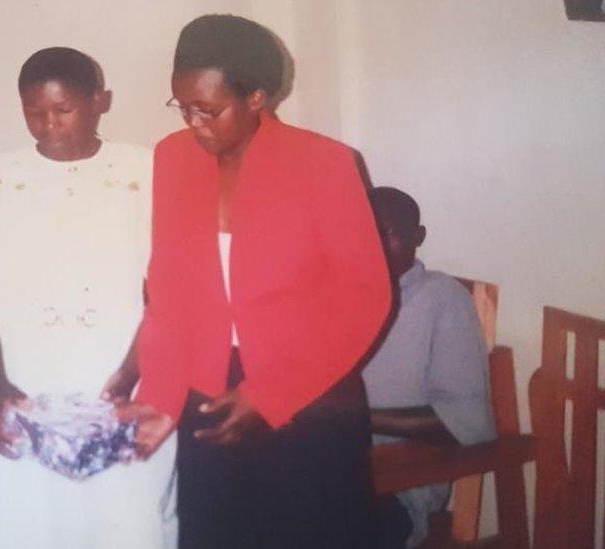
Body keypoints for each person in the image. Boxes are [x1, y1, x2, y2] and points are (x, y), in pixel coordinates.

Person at [121, 14, 392, 548]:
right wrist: (159, 397)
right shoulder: (172, 159)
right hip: (209, 392)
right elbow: (170, 296)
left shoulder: (325, 163)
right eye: (183, 107)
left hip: (311, 394)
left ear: (257, 98)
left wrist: (270, 394)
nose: (194, 124)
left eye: (210, 110)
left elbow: (366, 296)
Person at [0, 47, 176, 549]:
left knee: (123, 524)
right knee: (23, 525)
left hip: (121, 385)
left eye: (63, 110)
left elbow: (170, 293)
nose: (49, 125)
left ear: (100, 101)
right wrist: (3, 389)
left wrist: (130, 377)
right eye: (34, 113)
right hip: (22, 388)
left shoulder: (149, 174)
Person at [364, 186, 496, 548]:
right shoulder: (346, 295)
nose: (372, 245)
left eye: (386, 232)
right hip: (331, 469)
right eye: (364, 231)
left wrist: (360, 418)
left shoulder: (442, 299)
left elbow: (471, 424)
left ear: (418, 236)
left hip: (399, 490)